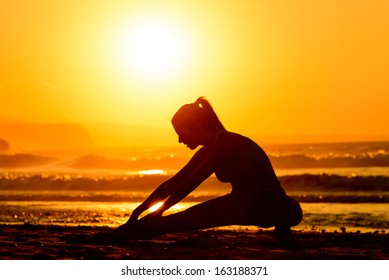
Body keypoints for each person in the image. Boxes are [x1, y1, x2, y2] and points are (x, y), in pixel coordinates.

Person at [111, 97, 302, 246]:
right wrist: (138, 211)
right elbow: (174, 183)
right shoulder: (208, 149)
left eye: (182, 132)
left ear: (199, 126)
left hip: (274, 207)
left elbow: (192, 183)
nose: (179, 140)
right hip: (242, 204)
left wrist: (160, 211)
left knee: (171, 222)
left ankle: (109, 237)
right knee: (168, 222)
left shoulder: (226, 143)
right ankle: (117, 234)